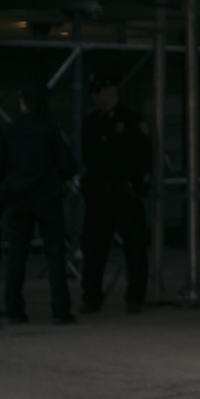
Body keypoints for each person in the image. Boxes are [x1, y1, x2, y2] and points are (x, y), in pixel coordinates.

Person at [0, 81, 78, 324]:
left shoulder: (8, 130)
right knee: (54, 253)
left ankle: (14, 308)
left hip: (18, 199)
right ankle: (60, 310)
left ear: (22, 102)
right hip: (47, 198)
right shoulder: (50, 130)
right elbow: (68, 165)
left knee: (16, 255)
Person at [81, 78, 154, 314]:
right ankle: (91, 297)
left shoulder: (132, 121)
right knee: (94, 249)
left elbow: (146, 158)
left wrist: (139, 188)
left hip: (125, 194)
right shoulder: (91, 122)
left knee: (135, 248)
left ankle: (135, 298)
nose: (94, 97)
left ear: (110, 91)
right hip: (99, 196)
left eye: (98, 91)